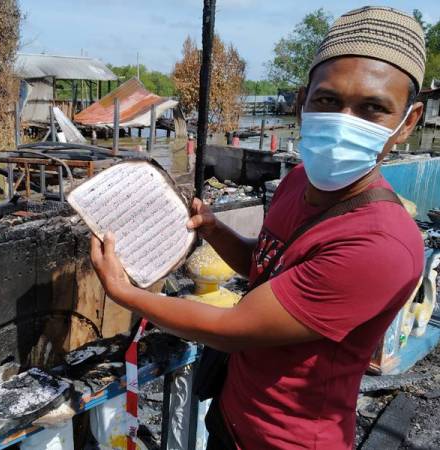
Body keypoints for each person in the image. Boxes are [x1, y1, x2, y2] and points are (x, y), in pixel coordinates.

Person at [90, 6, 426, 449]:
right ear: (304, 100)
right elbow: (267, 265)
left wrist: (127, 295)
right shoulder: (299, 180)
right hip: (232, 418)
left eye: (372, 108)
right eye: (328, 100)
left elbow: (233, 328)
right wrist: (212, 228)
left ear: (408, 121)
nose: (345, 119)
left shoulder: (381, 245)